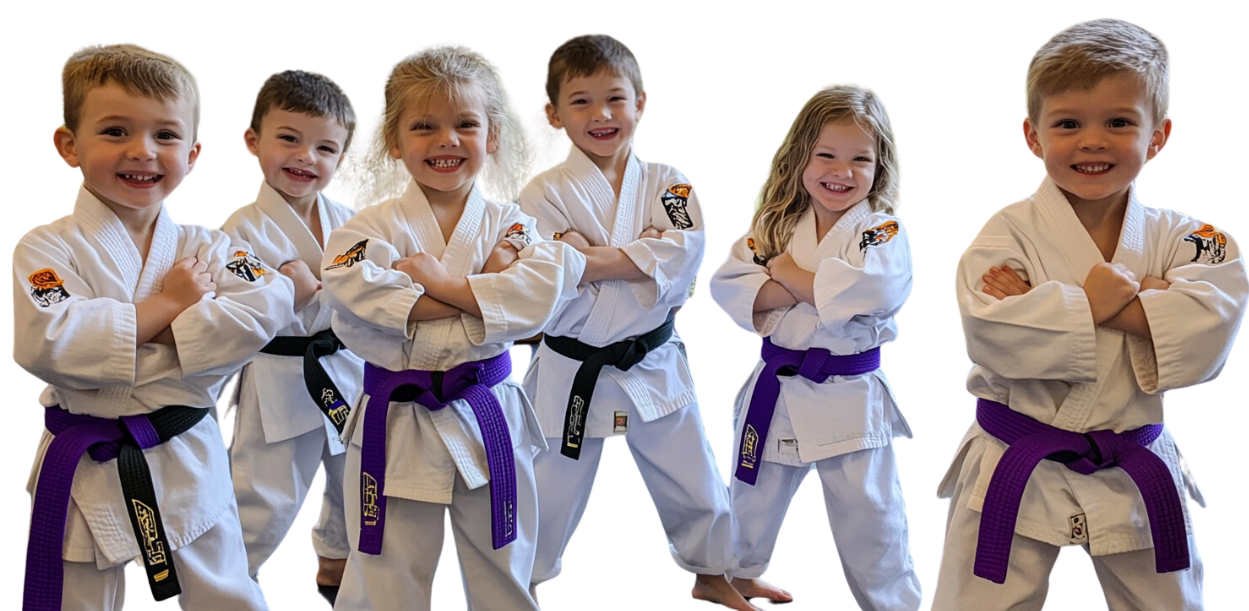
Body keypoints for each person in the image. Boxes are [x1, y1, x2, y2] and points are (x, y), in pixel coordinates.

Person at [934, 17, 1249, 610]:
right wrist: (1139, 298)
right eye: (1069, 123)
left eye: (1119, 122)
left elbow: (1210, 326)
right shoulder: (1005, 231)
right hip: (1012, 460)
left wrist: (1091, 305)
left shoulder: (1189, 237)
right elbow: (991, 333)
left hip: (1135, 463)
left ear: (1158, 136)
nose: (1093, 141)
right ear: (1032, 136)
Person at [17, 41, 293, 611]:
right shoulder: (45, 248)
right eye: (115, 131)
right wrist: (171, 305)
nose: (142, 151)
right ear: (69, 146)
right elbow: (49, 341)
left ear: (192, 155)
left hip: (186, 451)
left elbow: (270, 302)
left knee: (226, 595)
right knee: (77, 596)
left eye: (165, 135)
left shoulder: (211, 245)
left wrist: (138, 330)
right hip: (85, 460)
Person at [322, 41, 584, 611]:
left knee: (505, 569)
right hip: (396, 419)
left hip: (487, 412)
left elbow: (536, 300)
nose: (447, 140)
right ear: (394, 141)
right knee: (385, 578)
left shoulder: (515, 226)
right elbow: (353, 293)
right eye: (424, 126)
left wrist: (436, 283)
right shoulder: (365, 229)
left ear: (492, 137)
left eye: (465, 124)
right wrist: (483, 287)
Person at [519, 33, 772, 611]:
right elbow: (544, 268)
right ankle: (522, 579)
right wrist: (638, 254)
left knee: (694, 476)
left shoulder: (668, 182)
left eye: (615, 98)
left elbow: (683, 253)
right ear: (554, 114)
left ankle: (713, 573)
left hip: (651, 360)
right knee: (548, 482)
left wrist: (585, 256)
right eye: (581, 101)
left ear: (641, 102)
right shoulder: (539, 191)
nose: (601, 114)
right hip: (572, 366)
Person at [707, 81, 922, 611]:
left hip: (849, 391)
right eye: (826, 155)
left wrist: (784, 274)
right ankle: (734, 578)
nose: (841, 171)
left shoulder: (881, 230)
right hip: (777, 386)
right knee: (750, 494)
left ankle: (892, 604)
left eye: (859, 159)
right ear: (801, 155)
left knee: (871, 512)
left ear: (879, 165)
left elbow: (879, 292)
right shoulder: (774, 222)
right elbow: (727, 285)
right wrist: (816, 287)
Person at [220, 68, 361, 589]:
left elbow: (373, 291)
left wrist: (317, 285)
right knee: (265, 495)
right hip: (279, 377)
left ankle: (336, 561)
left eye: (325, 148)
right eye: (289, 139)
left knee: (357, 480)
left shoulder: (352, 220)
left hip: (348, 367)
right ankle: (228, 580)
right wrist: (293, 290)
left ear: (341, 158)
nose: (306, 157)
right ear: (252, 141)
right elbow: (243, 310)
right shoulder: (237, 230)